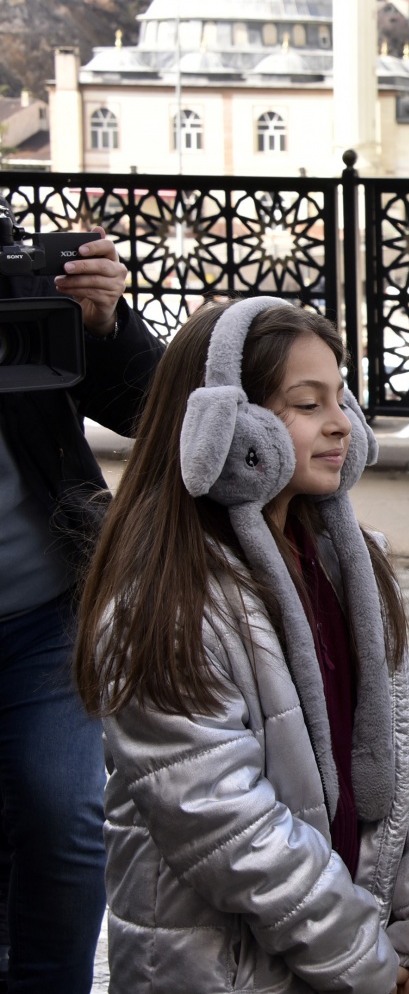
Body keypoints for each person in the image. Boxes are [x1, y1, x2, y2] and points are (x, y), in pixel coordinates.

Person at [73, 297, 409, 993]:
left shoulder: (352, 567)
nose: (341, 424)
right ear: (229, 427)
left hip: (347, 952)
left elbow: (404, 753)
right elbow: (226, 826)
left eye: (340, 398)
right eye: (308, 404)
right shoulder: (165, 603)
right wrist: (364, 963)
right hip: (225, 971)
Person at [0, 221, 162, 994]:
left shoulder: (17, 265)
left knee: (67, 820)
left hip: (44, 613)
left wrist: (105, 324)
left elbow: (148, 407)